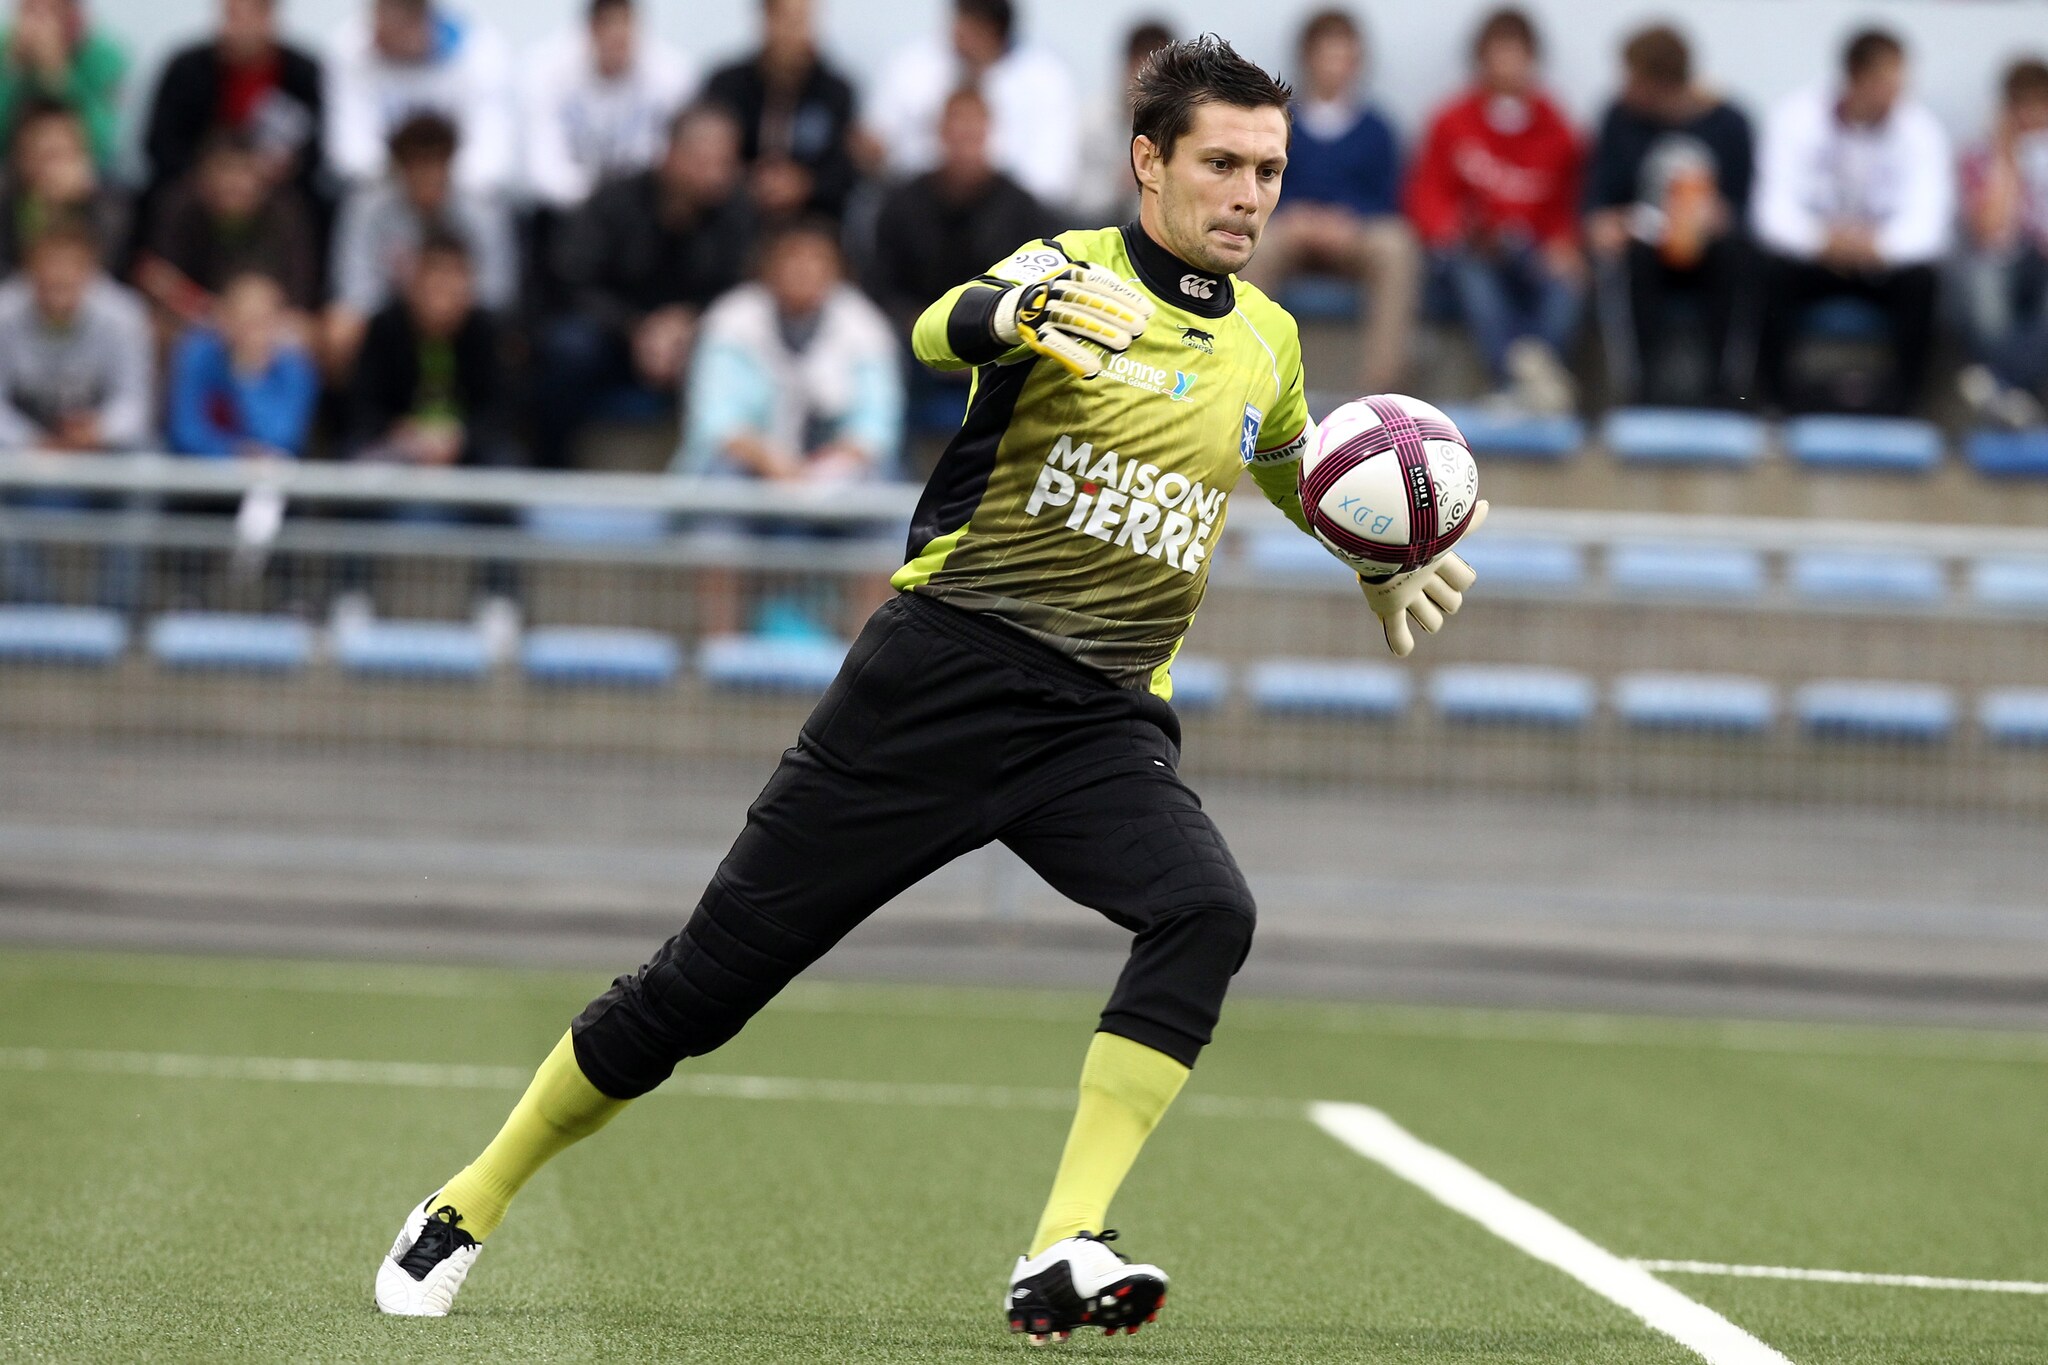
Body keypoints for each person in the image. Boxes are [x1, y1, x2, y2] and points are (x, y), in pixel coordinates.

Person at [370, 35, 1488, 1345]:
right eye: (1223, 164)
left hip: (1097, 720)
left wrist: (1372, 552)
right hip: (935, 681)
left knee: (1204, 911)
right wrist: (1013, 316)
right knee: (697, 992)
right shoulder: (1064, 272)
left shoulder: (1270, 339)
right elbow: (939, 324)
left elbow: (1291, 463)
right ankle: (465, 1200)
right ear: (1148, 161)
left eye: (1269, 170)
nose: (1250, 194)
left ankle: (1062, 1245)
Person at [678, 218, 902, 635]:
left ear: (837, 271)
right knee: (719, 489)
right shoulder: (732, 320)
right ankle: (720, 648)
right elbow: (716, 421)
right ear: (767, 268)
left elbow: (878, 426)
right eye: (792, 259)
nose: (803, 270)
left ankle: (864, 655)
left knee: (882, 492)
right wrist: (772, 462)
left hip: (833, 477)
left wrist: (835, 461)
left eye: (816, 260)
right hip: (752, 472)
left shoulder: (863, 325)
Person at [537, 102, 754, 469]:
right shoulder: (615, 200)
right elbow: (571, 280)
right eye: (705, 162)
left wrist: (690, 322)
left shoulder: (740, 213)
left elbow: (743, 292)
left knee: (739, 352)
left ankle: (714, 472)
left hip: (697, 339)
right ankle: (552, 465)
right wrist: (635, 327)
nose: (716, 176)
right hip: (616, 337)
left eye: (726, 164)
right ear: (671, 156)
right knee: (568, 347)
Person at [1750, 28, 1951, 415]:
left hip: (1883, 266)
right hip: (1814, 260)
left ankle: (1906, 407)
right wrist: (1820, 241)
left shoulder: (1921, 130)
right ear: (1855, 76)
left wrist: (1878, 245)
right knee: (1768, 273)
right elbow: (1771, 214)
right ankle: (1774, 403)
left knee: (1923, 281)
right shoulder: (1795, 118)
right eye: (1886, 81)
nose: (1897, 93)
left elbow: (1931, 226)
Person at [1406, 6, 1583, 413]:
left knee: (1567, 283)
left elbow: (1568, 204)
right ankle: (1520, 382)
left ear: (1532, 59)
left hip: (1532, 253)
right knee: (1475, 276)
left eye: (1516, 53)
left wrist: (1564, 244)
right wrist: (1453, 231)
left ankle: (1527, 384)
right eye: (1497, 53)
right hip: (1469, 253)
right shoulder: (1451, 121)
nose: (1506, 65)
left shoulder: (1557, 127)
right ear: (1480, 58)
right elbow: (1428, 196)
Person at [1246, 9, 1418, 395]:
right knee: (1254, 245)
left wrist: (1350, 220)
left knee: (1397, 246)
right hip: (1291, 232)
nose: (1335, 67)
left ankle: (1381, 388)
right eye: (1326, 56)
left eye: (1344, 57)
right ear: (1307, 59)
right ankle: (1251, 378)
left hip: (1353, 237)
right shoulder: (1278, 122)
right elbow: (1258, 183)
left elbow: (1391, 199)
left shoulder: (1378, 128)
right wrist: (1293, 215)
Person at [1582, 24, 1754, 406]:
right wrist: (1608, 224)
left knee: (1735, 255)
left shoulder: (1729, 123)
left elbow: (1749, 209)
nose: (1625, 88)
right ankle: (1640, 389)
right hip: (1644, 250)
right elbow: (1597, 202)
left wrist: (1724, 217)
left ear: (1661, 83)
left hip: (1710, 252)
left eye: (1634, 79)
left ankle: (1724, 388)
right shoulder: (1619, 119)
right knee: (1634, 260)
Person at [0, 216, 151, 606]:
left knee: (144, 463)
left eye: (68, 272)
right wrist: (32, 442)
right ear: (29, 271)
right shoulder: (5, 313)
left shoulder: (123, 315)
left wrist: (97, 432)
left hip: (100, 449)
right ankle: (34, 608)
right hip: (26, 451)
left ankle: (116, 611)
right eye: (48, 270)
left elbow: (135, 404)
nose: (57, 281)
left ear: (90, 272)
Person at [325, 112, 515, 372]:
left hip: (464, 324)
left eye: (436, 163)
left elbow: (496, 292)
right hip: (389, 323)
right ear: (398, 166)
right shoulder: (366, 208)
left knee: (504, 338)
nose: (428, 174)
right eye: (417, 164)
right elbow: (354, 290)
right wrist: (414, 308)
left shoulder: (483, 213)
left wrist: (446, 305)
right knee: (339, 330)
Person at [867, 86, 1057, 340]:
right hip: (916, 337)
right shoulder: (903, 205)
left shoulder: (1021, 209)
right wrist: (921, 325)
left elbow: (1042, 278)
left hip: (1000, 337)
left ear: (988, 133)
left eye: (973, 135)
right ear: (941, 133)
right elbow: (882, 283)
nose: (965, 147)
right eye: (958, 134)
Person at [870, 0, 1081, 210]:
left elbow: (1051, 180)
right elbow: (881, 143)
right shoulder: (914, 66)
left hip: (1011, 212)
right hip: (923, 205)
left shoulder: (1046, 79)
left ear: (994, 31)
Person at [346, 229, 510, 469]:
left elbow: (501, 410)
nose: (444, 289)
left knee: (504, 464)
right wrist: (402, 431)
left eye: (454, 278)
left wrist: (460, 437)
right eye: (436, 277)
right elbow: (363, 406)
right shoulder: (385, 327)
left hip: (467, 450)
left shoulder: (486, 332)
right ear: (414, 282)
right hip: (397, 446)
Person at [140, 0, 324, 212]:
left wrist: (272, 172)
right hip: (198, 183)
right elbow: (161, 142)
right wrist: (214, 175)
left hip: (274, 187)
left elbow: (315, 147)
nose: (239, 27)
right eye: (232, 16)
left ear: (270, 18)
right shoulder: (186, 69)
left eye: (249, 16)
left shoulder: (302, 73)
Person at [324, 0, 513, 193]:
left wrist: (433, 183)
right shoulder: (353, 46)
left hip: (461, 191)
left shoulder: (479, 52)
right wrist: (408, 183)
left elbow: (491, 160)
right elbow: (350, 154)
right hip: (380, 189)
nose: (377, 36)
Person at [136, 130, 321, 327]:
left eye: (243, 172)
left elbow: (299, 297)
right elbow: (154, 275)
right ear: (203, 176)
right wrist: (210, 308)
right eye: (224, 170)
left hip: (266, 325)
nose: (233, 183)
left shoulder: (287, 216)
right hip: (193, 318)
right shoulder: (179, 206)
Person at [521, 0, 694, 211]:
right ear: (590, 30)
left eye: (624, 36)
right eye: (610, 33)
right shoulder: (546, 69)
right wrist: (596, 199)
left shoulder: (671, 73)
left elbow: (669, 157)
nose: (618, 46)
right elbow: (543, 166)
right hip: (567, 206)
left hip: (642, 206)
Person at [700, 0, 861, 223]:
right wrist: (749, 182)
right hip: (734, 215)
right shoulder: (726, 85)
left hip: (811, 217)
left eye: (805, 21)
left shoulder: (836, 91)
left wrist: (804, 184)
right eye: (789, 20)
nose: (799, 33)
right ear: (766, 19)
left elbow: (844, 168)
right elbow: (709, 155)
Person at [1957, 57, 2048, 429]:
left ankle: (1998, 382)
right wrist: (2007, 158)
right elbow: (1988, 231)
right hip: (2003, 261)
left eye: (2039, 105)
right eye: (2021, 106)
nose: (2030, 117)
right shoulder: (1978, 157)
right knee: (1981, 279)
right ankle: (2015, 395)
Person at [164, 269, 318, 458]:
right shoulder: (196, 353)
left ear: (279, 320)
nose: (252, 332)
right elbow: (185, 433)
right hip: (202, 470)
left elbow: (281, 438)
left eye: (261, 321)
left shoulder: (296, 368)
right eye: (244, 320)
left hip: (268, 473)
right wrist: (231, 453)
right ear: (222, 317)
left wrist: (248, 375)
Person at [0, 97, 122, 273]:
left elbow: (109, 268)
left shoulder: (109, 207)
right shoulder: (7, 205)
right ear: (20, 156)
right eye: (42, 155)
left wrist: (78, 206)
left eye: (59, 154)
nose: (52, 169)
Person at [0, 0, 123, 169]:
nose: (39, 23)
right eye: (30, 10)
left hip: (73, 172)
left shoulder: (102, 59)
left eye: (51, 11)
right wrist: (13, 72)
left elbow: (102, 145)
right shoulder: (5, 49)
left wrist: (57, 77)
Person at [1072, 19, 1171, 226]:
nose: (1150, 81)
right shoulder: (1095, 120)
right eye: (1140, 67)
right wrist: (1121, 184)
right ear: (1127, 66)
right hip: (1107, 226)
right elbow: (1078, 199)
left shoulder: (1187, 124)